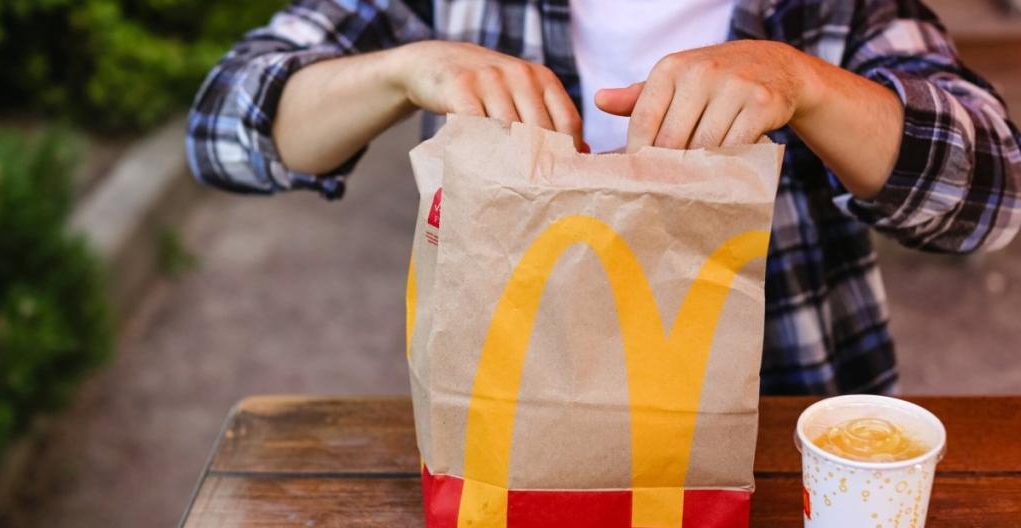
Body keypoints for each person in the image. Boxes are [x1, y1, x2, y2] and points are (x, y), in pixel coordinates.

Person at [187, 0, 1021, 396]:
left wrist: (804, 84)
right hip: (510, 423)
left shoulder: (835, 10)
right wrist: (403, 69)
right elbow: (224, 128)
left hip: (781, 423)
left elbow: (994, 198)